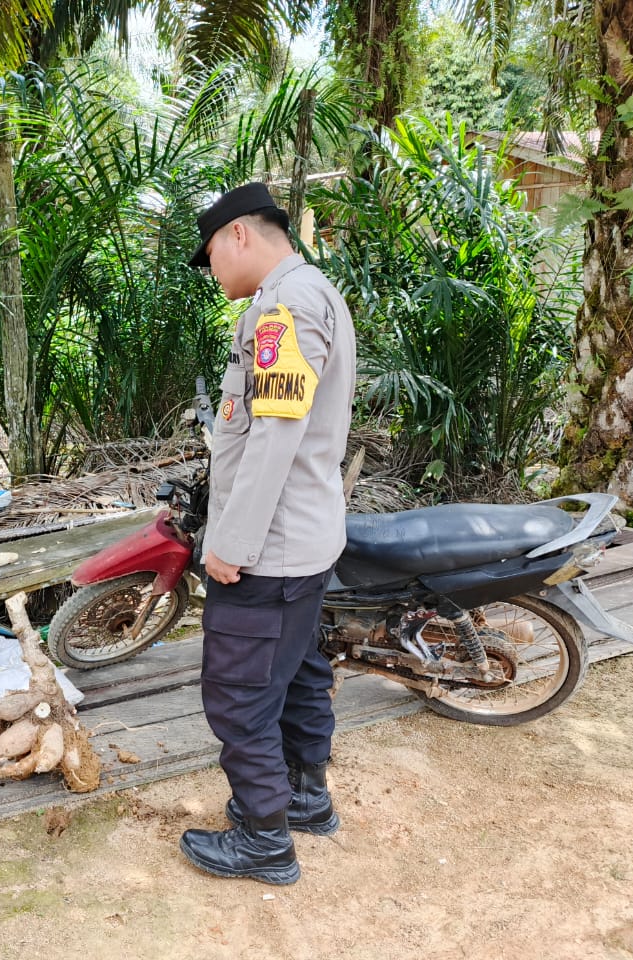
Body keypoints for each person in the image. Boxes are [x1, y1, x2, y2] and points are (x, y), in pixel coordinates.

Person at [179, 183, 356, 885]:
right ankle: (306, 795)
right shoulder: (308, 293)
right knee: (299, 671)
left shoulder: (283, 307)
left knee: (238, 694)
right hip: (302, 542)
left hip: (270, 548)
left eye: (211, 255)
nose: (212, 271)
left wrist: (231, 544)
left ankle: (263, 838)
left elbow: (275, 435)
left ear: (240, 236)